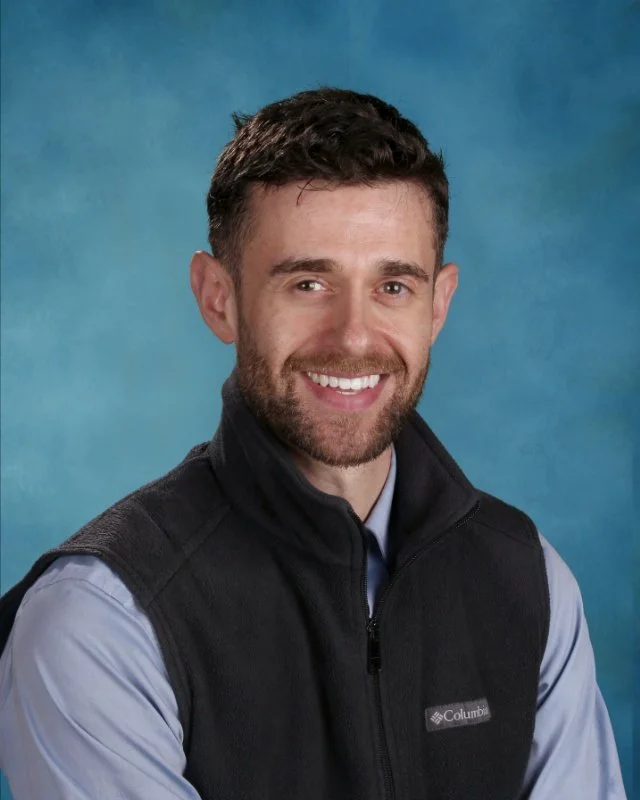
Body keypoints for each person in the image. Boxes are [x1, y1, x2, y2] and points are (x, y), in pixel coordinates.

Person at [0, 88, 626, 800]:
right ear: (219, 298)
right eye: (307, 282)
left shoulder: (529, 582)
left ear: (439, 305)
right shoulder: (99, 620)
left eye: (393, 285)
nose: (354, 336)